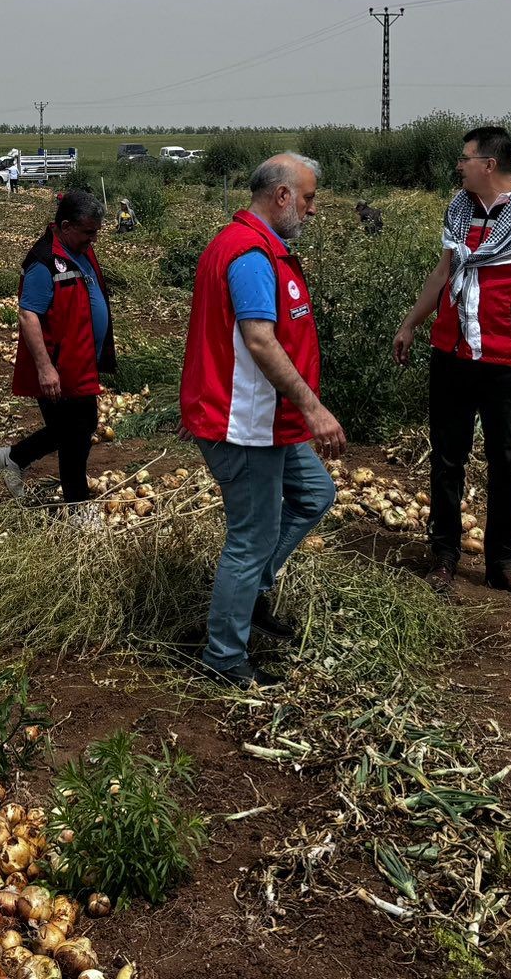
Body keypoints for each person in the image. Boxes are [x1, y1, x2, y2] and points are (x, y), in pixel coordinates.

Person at [180, 154, 343, 688]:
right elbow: (258, 340)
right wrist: (314, 408)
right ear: (282, 196)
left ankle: (249, 594)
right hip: (243, 421)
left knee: (315, 493)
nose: (312, 209)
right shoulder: (249, 254)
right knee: (250, 539)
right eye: (310, 198)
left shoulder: (259, 248)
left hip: (267, 419)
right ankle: (224, 656)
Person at [394, 125, 511, 604]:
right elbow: (443, 272)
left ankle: (501, 563)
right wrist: (412, 323)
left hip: (506, 360)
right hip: (451, 354)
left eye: (465, 157)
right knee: (447, 458)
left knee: (506, 463)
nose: (459, 164)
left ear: (489, 164)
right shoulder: (460, 210)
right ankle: (444, 556)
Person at [0, 191, 115, 514]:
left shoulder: (79, 250)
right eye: (89, 231)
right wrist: (45, 368)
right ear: (65, 225)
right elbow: (28, 314)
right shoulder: (43, 261)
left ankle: (12, 458)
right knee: (75, 435)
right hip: (59, 365)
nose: (94, 238)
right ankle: (77, 509)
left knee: (75, 429)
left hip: (80, 361)